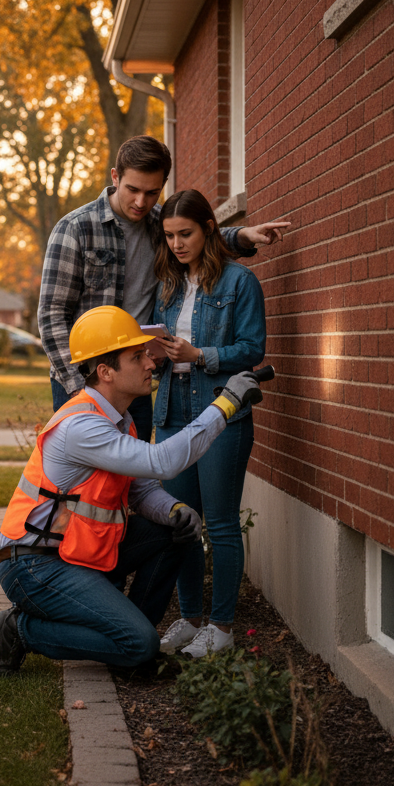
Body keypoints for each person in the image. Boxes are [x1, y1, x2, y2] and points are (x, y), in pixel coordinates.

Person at [0, 305, 264, 677]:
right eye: (137, 356)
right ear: (106, 372)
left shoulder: (118, 419)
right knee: (142, 643)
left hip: (71, 551)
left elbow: (143, 491)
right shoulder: (82, 427)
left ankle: (129, 653)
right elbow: (163, 461)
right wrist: (226, 404)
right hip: (33, 565)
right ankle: (17, 629)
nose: (150, 363)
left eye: (146, 354)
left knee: (172, 534)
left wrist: (175, 510)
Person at [38, 135, 289, 439]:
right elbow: (52, 314)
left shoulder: (160, 225)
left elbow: (196, 235)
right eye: (132, 190)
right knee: (82, 481)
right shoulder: (75, 228)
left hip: (135, 376)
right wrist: (82, 387)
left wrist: (243, 236)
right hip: (84, 379)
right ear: (115, 177)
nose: (141, 202)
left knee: (135, 477)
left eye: (152, 192)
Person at [150, 189, 267, 659]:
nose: (177, 244)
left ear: (208, 231)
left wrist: (201, 355)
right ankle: (190, 618)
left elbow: (252, 349)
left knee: (219, 523)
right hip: (172, 412)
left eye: (186, 234)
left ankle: (221, 628)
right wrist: (153, 353)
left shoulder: (240, 282)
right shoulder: (168, 286)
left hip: (221, 410)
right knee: (182, 523)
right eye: (170, 236)